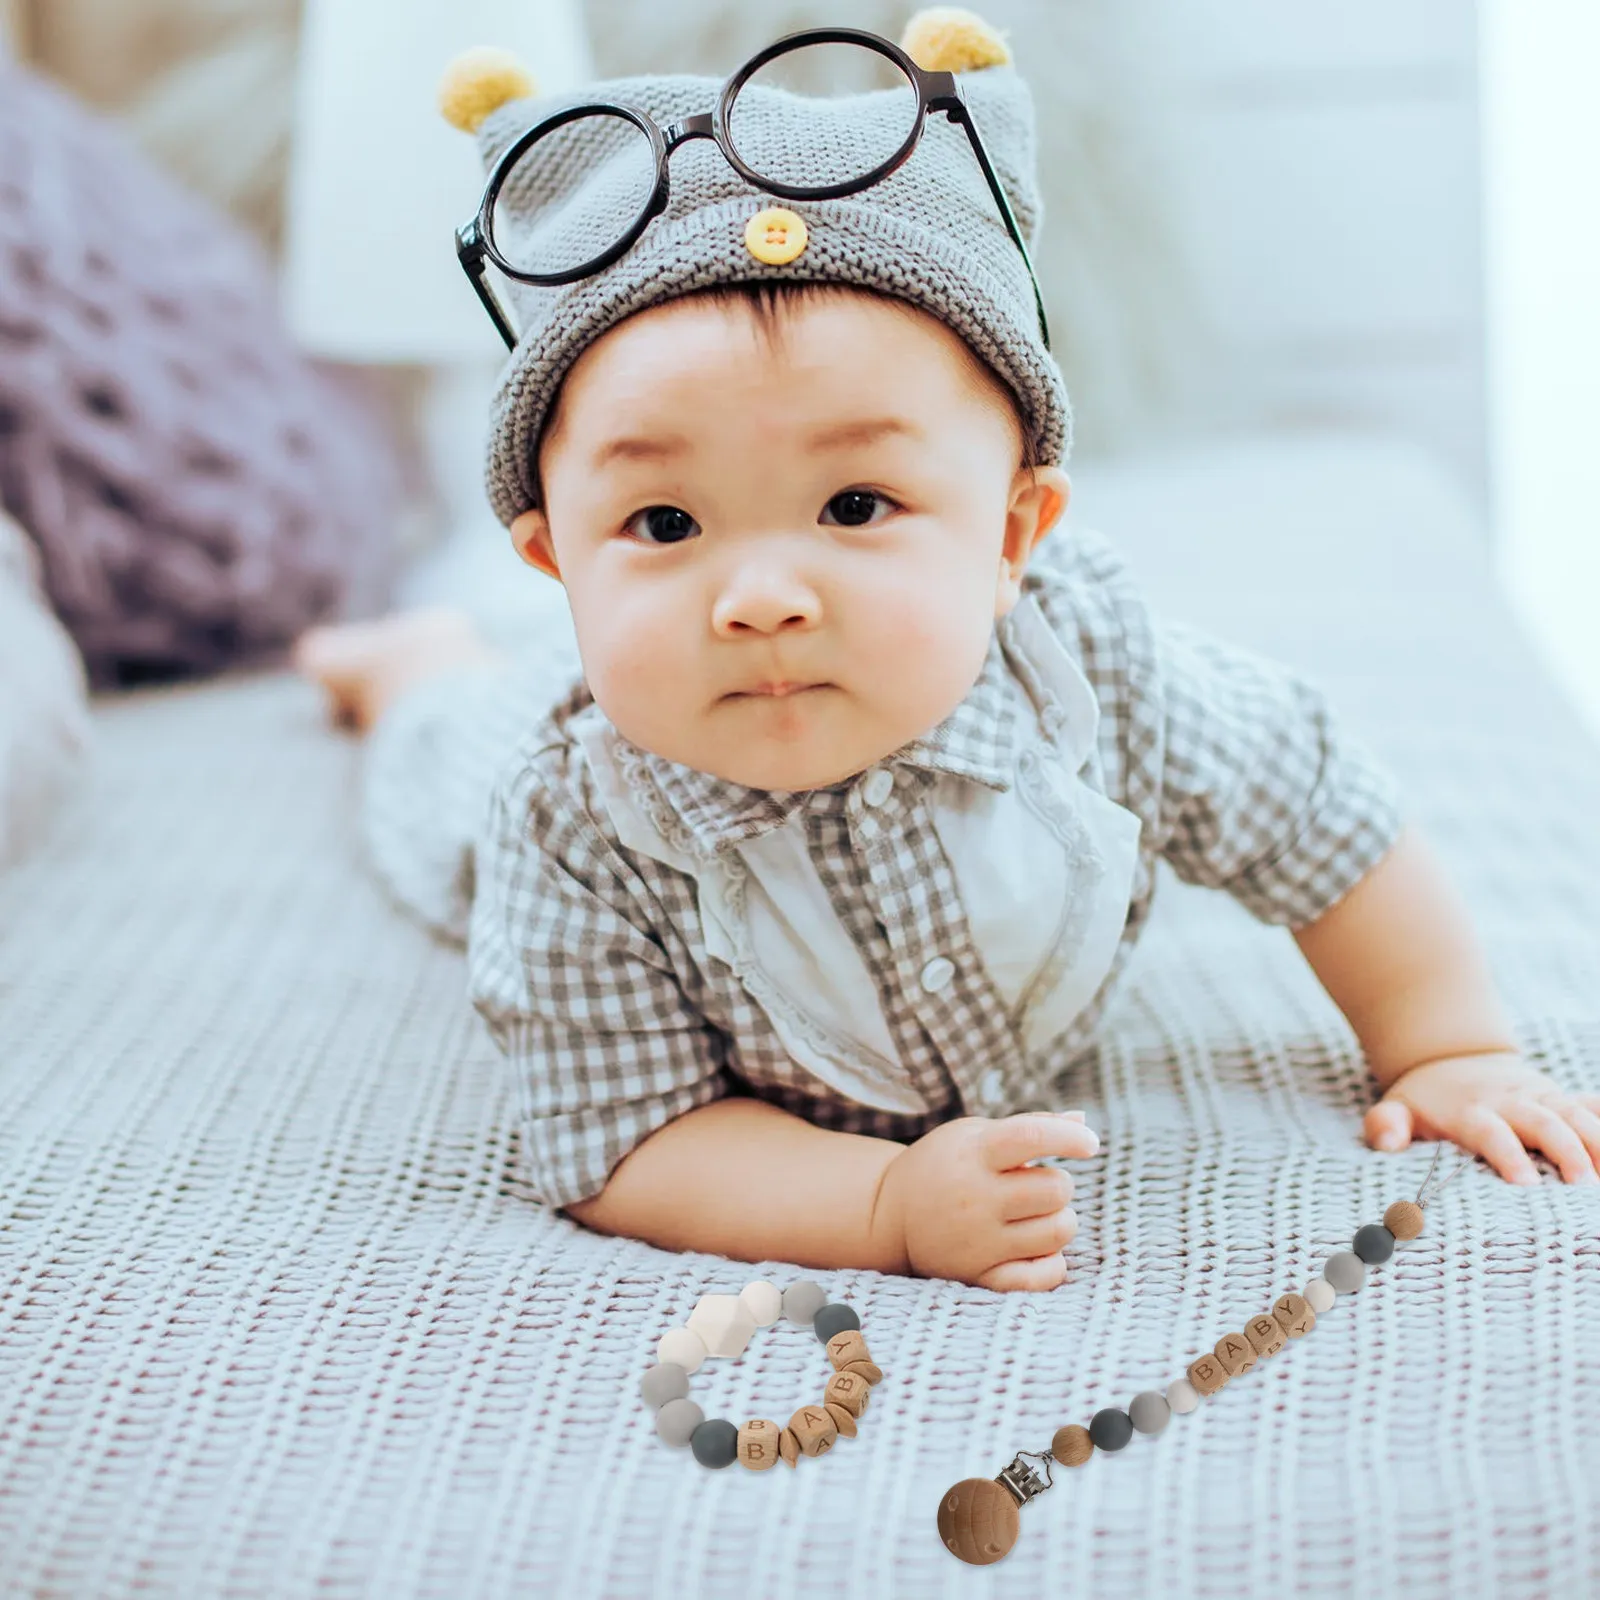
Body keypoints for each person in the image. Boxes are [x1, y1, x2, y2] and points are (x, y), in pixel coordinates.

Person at [297, 9, 1600, 1294]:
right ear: (560, 561)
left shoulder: (1090, 671)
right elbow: (622, 1142)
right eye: (663, 522)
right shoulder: (572, 817)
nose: (758, 596)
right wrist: (881, 1203)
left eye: (856, 507)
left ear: (1014, 533)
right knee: (436, 769)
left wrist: (1444, 1048)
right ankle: (411, 668)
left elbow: (1323, 817)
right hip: (507, 750)